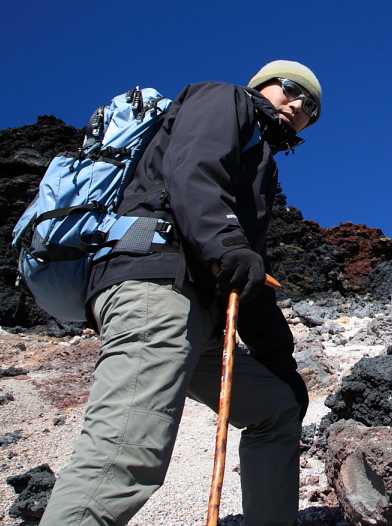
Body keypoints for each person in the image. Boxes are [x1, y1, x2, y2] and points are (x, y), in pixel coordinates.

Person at [41, 60, 322, 526]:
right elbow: (193, 168)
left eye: (311, 106)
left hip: (199, 311)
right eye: (291, 90)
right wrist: (226, 242)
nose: (298, 105)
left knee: (277, 408)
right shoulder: (224, 99)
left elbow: (249, 272)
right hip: (155, 285)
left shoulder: (261, 164)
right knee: (126, 452)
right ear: (261, 85)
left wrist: (281, 363)